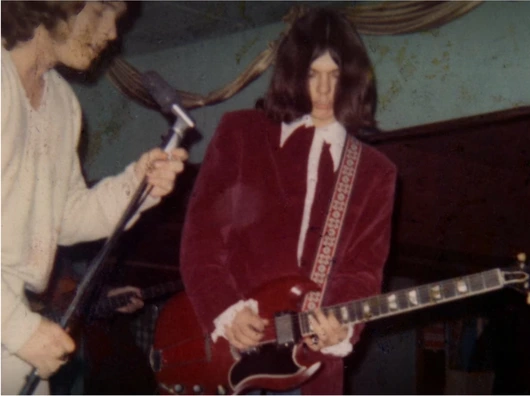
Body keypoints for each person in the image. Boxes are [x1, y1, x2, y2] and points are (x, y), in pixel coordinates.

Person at [180, 8, 397, 394]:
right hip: (230, 359)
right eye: (313, 74)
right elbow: (202, 240)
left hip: (313, 373)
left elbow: (363, 271)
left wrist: (343, 329)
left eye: (337, 76)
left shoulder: (374, 172)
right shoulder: (241, 134)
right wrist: (225, 310)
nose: (326, 90)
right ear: (293, 73)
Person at [1, 1, 189, 394]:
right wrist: (17, 328)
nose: (112, 33)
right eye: (102, 10)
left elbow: (66, 218)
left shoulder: (63, 104)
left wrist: (137, 185)